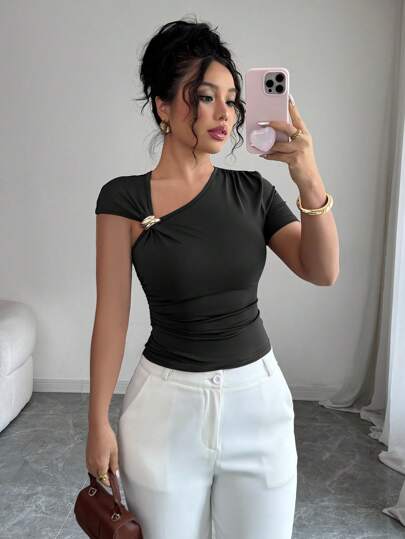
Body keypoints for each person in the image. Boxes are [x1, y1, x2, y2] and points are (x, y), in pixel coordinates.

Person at [86, 15, 334, 539]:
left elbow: (322, 270)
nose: (225, 113)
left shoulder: (254, 192)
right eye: (205, 97)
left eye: (232, 100)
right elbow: (112, 315)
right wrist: (97, 420)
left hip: (258, 407)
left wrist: (308, 177)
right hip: (163, 412)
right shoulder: (123, 199)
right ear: (163, 105)